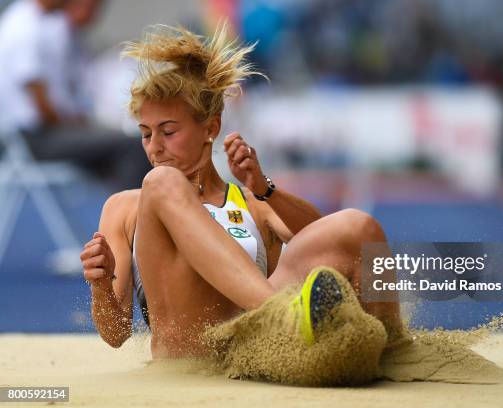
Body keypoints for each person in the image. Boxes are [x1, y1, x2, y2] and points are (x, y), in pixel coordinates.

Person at [80, 25, 402, 359]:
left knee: (357, 225)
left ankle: (389, 348)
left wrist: (265, 189)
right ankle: (280, 312)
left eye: (169, 131)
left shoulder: (252, 201)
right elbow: (115, 334)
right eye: (146, 134)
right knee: (161, 181)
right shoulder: (126, 206)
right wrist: (101, 286)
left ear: (211, 128)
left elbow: (328, 240)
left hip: (256, 346)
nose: (155, 148)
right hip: (191, 352)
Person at [0, 0, 150, 191]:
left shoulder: (37, 22)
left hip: (42, 132)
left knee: (125, 145)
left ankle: (125, 212)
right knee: (132, 148)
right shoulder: (24, 28)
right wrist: (80, 125)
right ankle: (129, 219)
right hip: (36, 139)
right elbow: (42, 108)